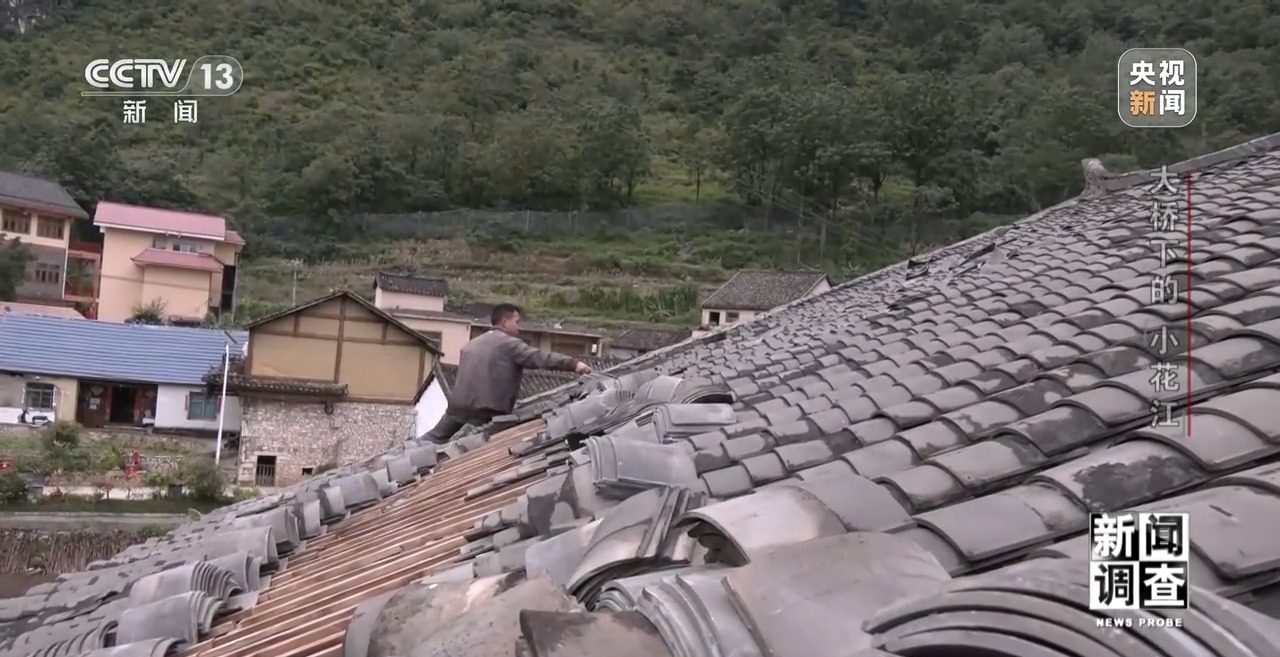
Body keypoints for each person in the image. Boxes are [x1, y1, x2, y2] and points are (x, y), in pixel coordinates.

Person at [424, 303, 591, 445]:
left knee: (431, 441)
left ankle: (407, 457)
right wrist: (573, 364)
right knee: (469, 449)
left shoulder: (471, 345)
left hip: (456, 408)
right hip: (484, 412)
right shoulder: (509, 344)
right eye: (516, 322)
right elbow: (539, 358)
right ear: (505, 322)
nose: (519, 327)